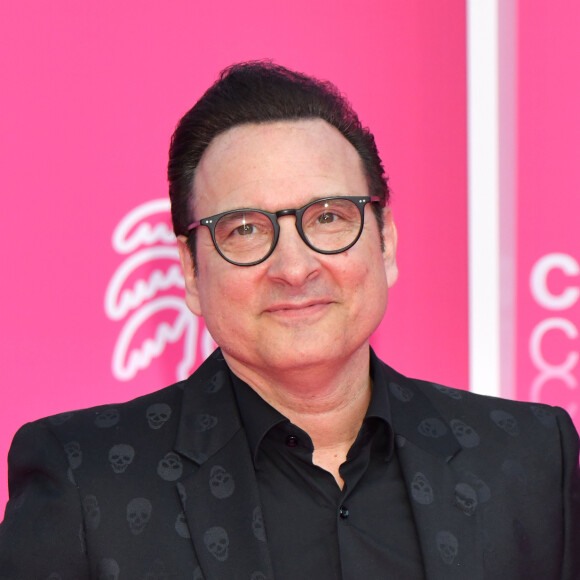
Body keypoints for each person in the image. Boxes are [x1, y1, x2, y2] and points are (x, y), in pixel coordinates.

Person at [0, 61, 578, 580]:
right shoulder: (86, 479)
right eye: (245, 229)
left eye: (328, 216)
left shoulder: (529, 461)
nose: (295, 267)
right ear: (191, 272)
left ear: (387, 242)